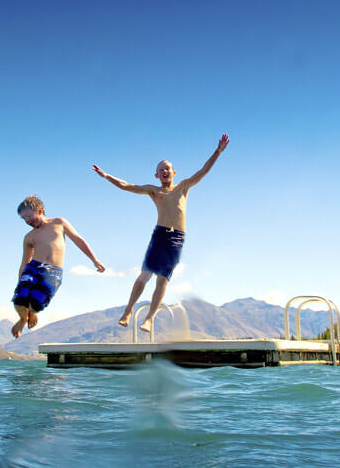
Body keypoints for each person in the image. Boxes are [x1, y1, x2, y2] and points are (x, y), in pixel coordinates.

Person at [93, 133, 229, 333]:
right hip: (160, 235)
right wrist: (106, 176)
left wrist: (217, 151)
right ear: (156, 175)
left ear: (174, 172)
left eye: (168, 168)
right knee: (144, 275)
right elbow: (127, 186)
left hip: (177, 238)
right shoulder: (154, 191)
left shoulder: (183, 186)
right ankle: (128, 310)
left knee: (163, 279)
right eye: (161, 169)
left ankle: (149, 319)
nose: (165, 171)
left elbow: (203, 171)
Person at [11, 195, 105, 338]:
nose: (27, 221)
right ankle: (23, 318)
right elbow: (24, 262)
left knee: (35, 303)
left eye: (29, 216)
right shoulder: (29, 237)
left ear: (40, 211)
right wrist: (20, 282)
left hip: (53, 272)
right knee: (19, 301)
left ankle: (33, 312)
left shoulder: (59, 223)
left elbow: (78, 240)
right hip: (33, 268)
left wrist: (94, 260)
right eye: (24, 219)